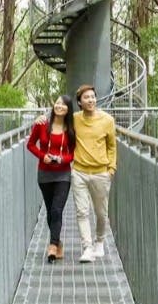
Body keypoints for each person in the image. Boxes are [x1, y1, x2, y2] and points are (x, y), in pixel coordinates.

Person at [26, 95, 76, 262]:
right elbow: (30, 145)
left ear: (68, 109)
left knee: (57, 210)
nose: (59, 106)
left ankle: (53, 245)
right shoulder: (42, 124)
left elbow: (73, 153)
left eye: (63, 104)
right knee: (50, 212)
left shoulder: (71, 129)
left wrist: (63, 159)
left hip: (63, 174)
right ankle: (58, 243)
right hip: (45, 174)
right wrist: (42, 155)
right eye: (57, 102)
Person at [71, 84, 117, 263]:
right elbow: (57, 119)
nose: (90, 100)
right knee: (82, 212)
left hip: (101, 173)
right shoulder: (74, 119)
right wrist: (43, 117)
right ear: (80, 102)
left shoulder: (107, 120)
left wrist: (111, 168)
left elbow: (112, 146)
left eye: (92, 97)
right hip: (79, 172)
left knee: (101, 213)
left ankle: (100, 241)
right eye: (86, 98)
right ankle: (87, 248)